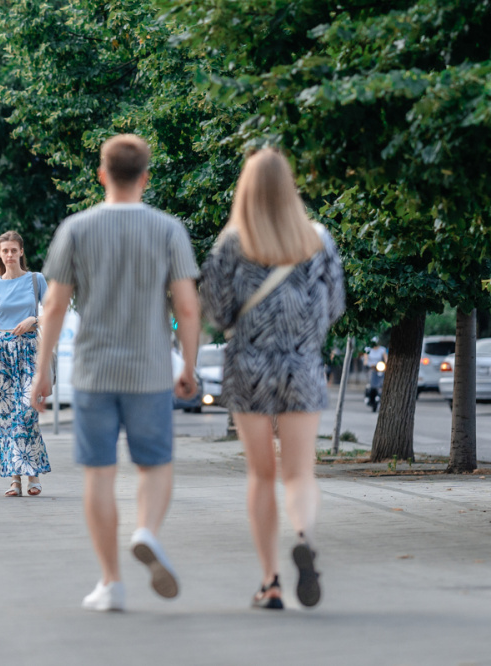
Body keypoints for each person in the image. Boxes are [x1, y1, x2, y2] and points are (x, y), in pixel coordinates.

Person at [30, 134, 201, 612]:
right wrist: (187, 364)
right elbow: (187, 306)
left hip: (93, 372)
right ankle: (145, 530)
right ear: (146, 177)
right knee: (155, 463)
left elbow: (55, 305)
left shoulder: (75, 229)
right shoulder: (169, 230)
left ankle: (111, 583)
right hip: (149, 372)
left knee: (99, 477)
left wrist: (42, 371)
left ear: (102, 174)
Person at [199, 148, 345, 610]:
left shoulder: (231, 243)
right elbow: (335, 304)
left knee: (262, 476)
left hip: (248, 367)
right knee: (300, 471)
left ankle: (271, 582)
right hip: (302, 366)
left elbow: (216, 311)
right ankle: (303, 534)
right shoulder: (319, 239)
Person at [0, 230, 51, 497]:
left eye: (13, 250)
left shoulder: (36, 279)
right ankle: (16, 479)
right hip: (2, 354)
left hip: (30, 351)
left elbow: (54, 311)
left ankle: (32, 474)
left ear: (21, 252)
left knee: (26, 414)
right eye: (4, 250)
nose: (9, 255)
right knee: (5, 418)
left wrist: (35, 320)